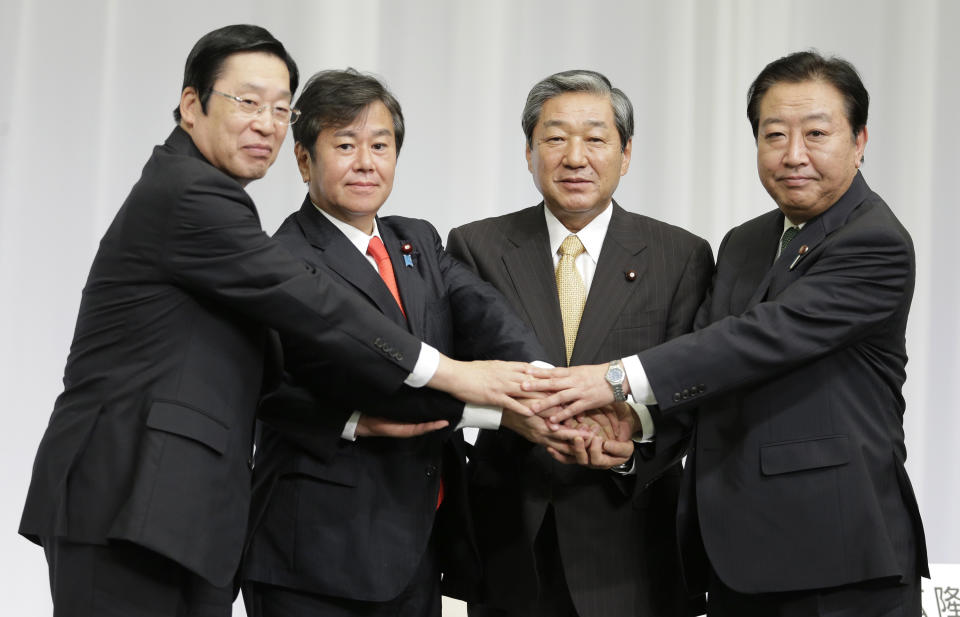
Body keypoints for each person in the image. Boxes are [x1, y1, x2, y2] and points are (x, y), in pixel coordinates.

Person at [18, 25, 532, 617]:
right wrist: (458, 378)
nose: (266, 122)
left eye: (281, 108)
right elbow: (316, 306)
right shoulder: (190, 195)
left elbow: (273, 370)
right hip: (127, 497)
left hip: (179, 509)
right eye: (248, 102)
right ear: (192, 105)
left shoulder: (213, 200)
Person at [527, 51, 928, 616]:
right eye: (773, 134)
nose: (793, 155)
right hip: (735, 554)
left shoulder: (875, 240)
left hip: (836, 557)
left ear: (859, 141)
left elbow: (759, 339)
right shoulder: (745, 242)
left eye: (816, 133)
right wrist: (634, 428)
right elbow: (707, 365)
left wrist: (615, 380)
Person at [240, 68, 574, 617]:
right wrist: (500, 412)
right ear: (304, 160)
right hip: (318, 550)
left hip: (418, 540)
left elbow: (487, 316)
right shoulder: (284, 260)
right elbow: (376, 382)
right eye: (344, 145)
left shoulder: (415, 239)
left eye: (380, 145)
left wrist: (547, 385)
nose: (366, 163)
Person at [446, 69, 714, 617]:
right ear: (528, 152)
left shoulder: (680, 255)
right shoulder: (476, 246)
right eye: (555, 138)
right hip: (510, 539)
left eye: (595, 138)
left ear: (626, 152)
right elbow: (454, 375)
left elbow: (694, 386)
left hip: (634, 541)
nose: (575, 157)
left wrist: (631, 437)